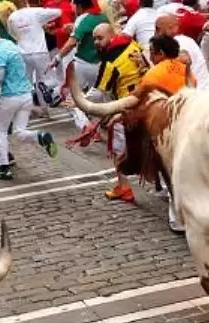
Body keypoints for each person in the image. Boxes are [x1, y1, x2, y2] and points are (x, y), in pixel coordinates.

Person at [0, 19, 58, 180]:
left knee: (0, 131)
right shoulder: (10, 44)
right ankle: (40, 136)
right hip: (26, 95)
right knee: (19, 131)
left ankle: (3, 167)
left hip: (10, 97)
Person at [91, 21, 146, 202]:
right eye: (94, 39)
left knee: (117, 148)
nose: (96, 43)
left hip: (127, 107)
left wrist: (77, 101)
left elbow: (99, 92)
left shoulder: (110, 60)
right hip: (149, 100)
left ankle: (124, 187)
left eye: (100, 38)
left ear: (112, 36)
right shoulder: (133, 43)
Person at [55, 0, 108, 130]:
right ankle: (97, 126)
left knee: (72, 98)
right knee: (98, 97)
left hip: (83, 64)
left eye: (74, 4)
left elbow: (72, 42)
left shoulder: (83, 19)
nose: (72, 7)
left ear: (79, 5)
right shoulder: (104, 17)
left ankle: (86, 126)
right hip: (100, 65)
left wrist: (57, 57)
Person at [8, 0, 64, 110]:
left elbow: (12, 34)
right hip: (40, 52)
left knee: (26, 83)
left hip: (23, 53)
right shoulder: (35, 12)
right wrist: (43, 22)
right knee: (48, 80)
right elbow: (58, 12)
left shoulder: (12, 17)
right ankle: (45, 105)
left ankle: (28, 109)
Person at [154, 11, 209, 88]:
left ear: (170, 27)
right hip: (207, 89)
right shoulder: (187, 39)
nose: (156, 33)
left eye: (157, 29)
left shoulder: (175, 44)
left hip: (197, 94)